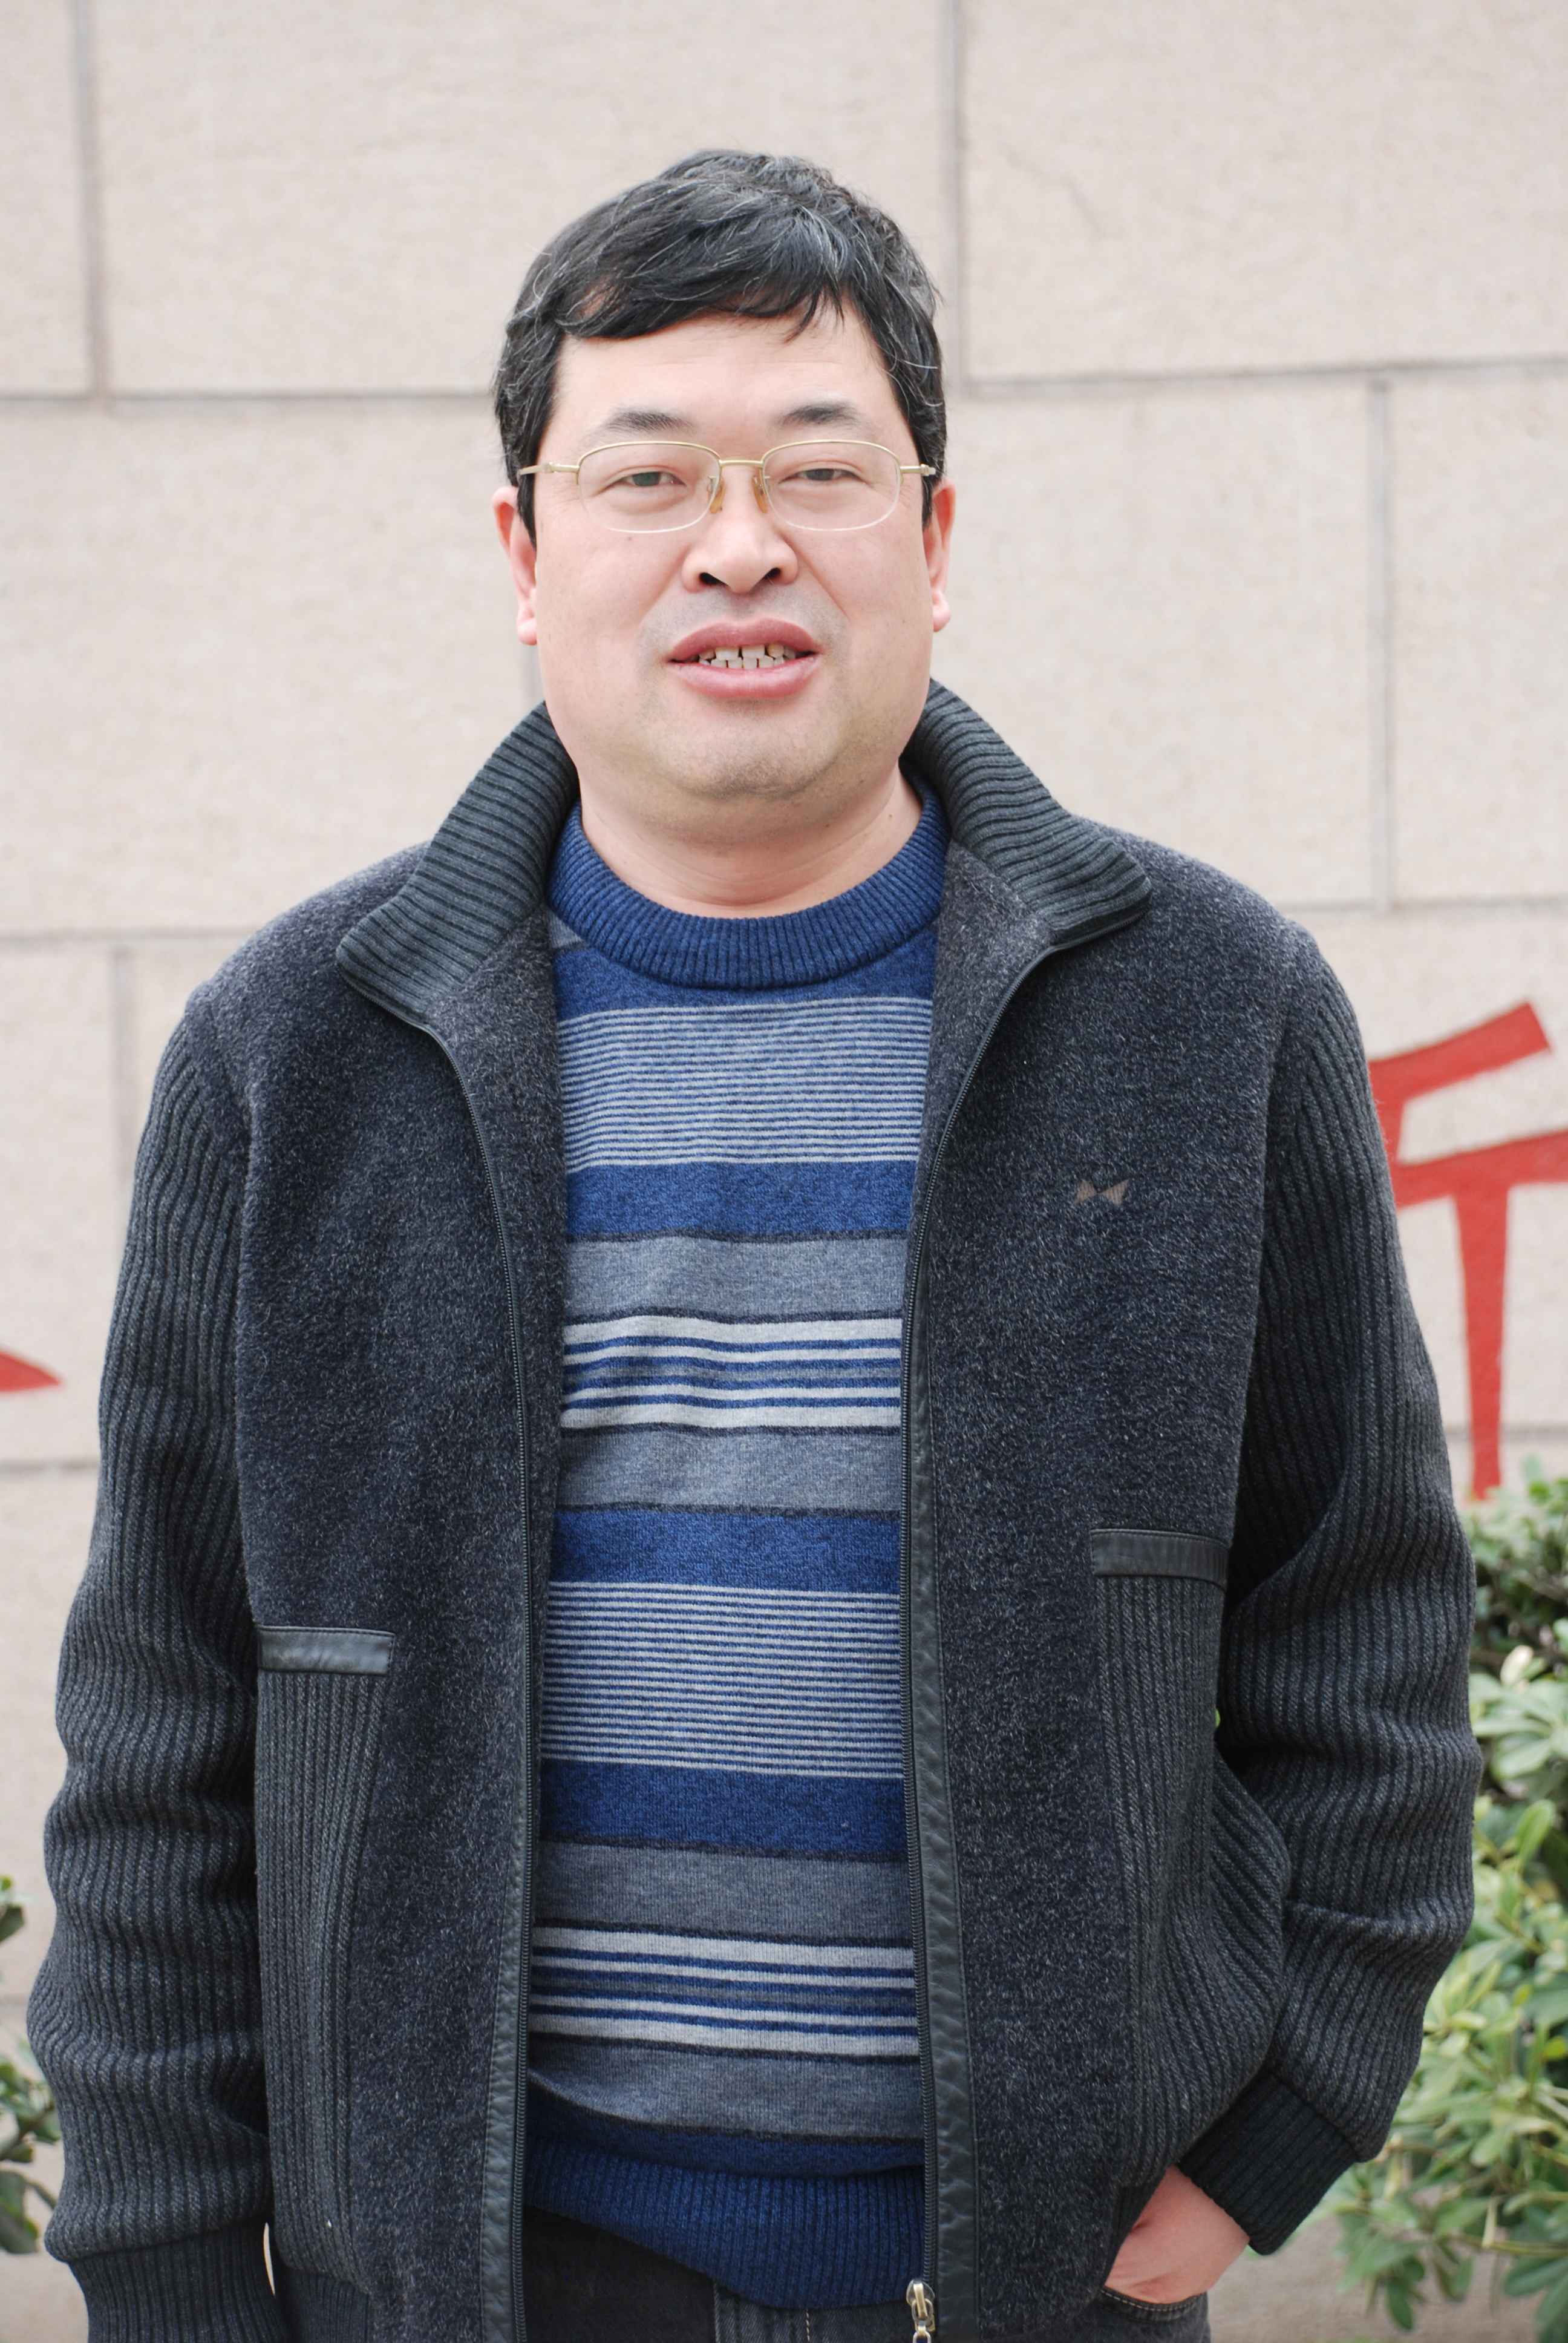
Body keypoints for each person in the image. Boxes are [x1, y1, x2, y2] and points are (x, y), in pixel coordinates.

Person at [28, 149, 1484, 2343]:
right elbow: (166, 1720)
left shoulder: (1208, 1014)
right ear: (524, 555)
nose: (739, 544)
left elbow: (1361, 1625)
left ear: (937, 540)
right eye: (647, 478)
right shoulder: (297, 1054)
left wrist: (1279, 2119)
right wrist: (165, 2263)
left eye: (821, 469)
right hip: (467, 2283)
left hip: (1030, 2281)